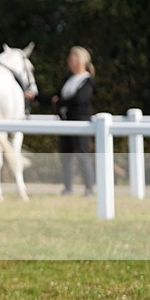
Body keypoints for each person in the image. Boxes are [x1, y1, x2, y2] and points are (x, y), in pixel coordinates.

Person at [34, 46, 96, 195]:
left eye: (71, 58)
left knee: (82, 154)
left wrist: (60, 102)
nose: (68, 61)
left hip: (81, 122)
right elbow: (55, 97)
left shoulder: (87, 81)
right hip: (65, 121)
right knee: (66, 156)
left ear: (80, 60)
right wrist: (36, 96)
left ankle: (89, 188)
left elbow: (79, 99)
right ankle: (68, 187)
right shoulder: (69, 79)